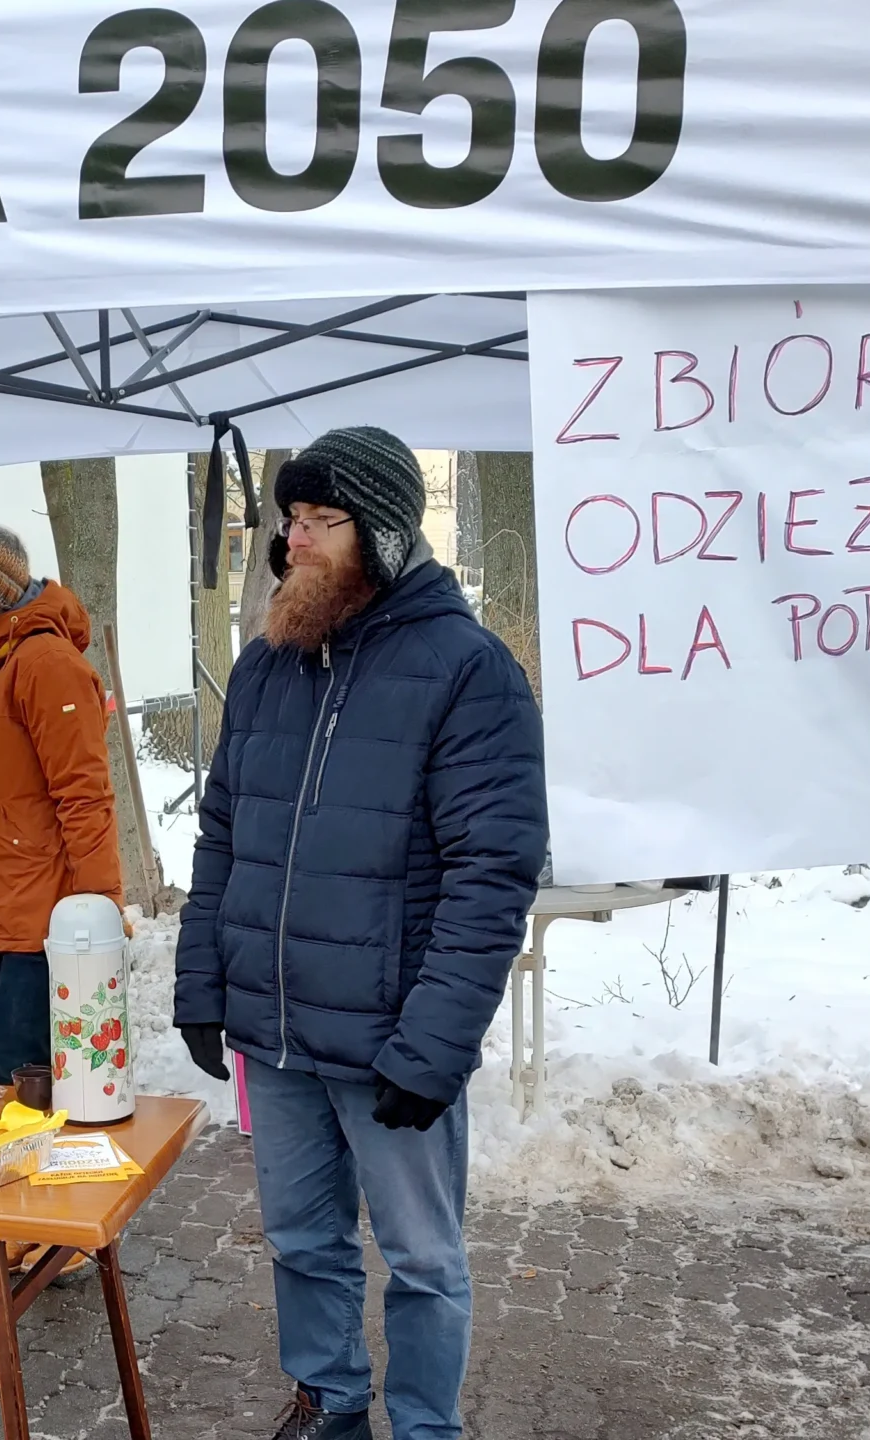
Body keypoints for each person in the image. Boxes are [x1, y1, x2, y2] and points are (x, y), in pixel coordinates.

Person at [173, 428, 547, 1440]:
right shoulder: (265, 667)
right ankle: (330, 1398)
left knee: (422, 1258)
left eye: (317, 523)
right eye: (288, 521)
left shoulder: (467, 671)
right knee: (301, 1240)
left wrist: (435, 1046)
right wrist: (202, 981)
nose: (291, 542)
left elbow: (490, 872)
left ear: (381, 536)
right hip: (277, 1032)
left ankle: (425, 1427)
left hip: (390, 1036)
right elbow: (223, 836)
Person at [0, 524, 125, 1086]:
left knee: (30, 1089)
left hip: (40, 923)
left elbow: (84, 796)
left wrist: (101, 910)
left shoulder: (46, 664)